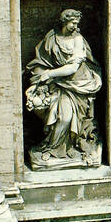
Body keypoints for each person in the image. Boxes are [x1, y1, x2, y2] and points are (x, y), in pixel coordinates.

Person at [25, 9, 103, 166]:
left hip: (77, 85)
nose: (75, 26)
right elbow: (42, 59)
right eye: (73, 22)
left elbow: (73, 68)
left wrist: (49, 74)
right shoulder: (52, 37)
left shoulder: (78, 39)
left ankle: (54, 148)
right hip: (58, 83)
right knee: (57, 115)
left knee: (66, 118)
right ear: (64, 21)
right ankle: (52, 147)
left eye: (77, 23)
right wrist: (41, 75)